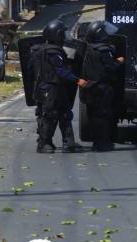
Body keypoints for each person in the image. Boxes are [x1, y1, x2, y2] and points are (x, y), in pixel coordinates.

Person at [30, 19, 88, 153]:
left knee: (65, 114)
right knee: (50, 115)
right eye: (63, 33)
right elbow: (60, 71)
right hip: (51, 89)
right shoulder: (54, 53)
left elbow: (30, 70)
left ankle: (69, 143)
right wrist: (77, 80)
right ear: (57, 35)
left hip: (46, 88)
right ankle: (44, 144)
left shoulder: (37, 50)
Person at [79, 21, 125, 151]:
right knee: (103, 115)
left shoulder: (87, 48)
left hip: (89, 87)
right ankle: (102, 143)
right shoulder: (104, 50)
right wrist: (118, 61)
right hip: (102, 88)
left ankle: (97, 142)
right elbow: (110, 68)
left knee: (93, 115)